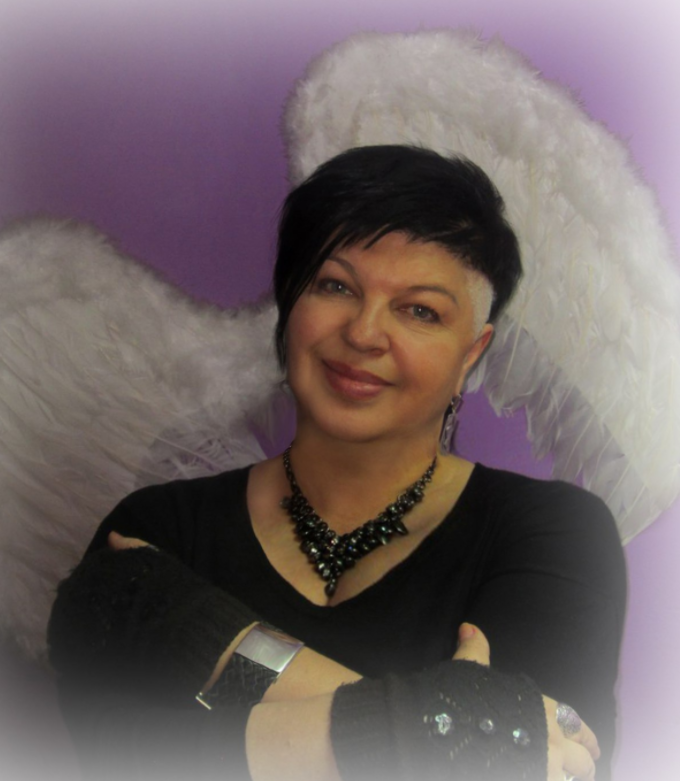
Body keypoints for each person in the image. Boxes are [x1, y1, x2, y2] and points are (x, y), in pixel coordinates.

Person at [47, 145, 626, 781]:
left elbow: (557, 768)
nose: (363, 333)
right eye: (335, 286)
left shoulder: (554, 536)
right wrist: (438, 730)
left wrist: (203, 635)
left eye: (420, 310)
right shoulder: (157, 530)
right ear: (290, 302)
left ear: (471, 353)